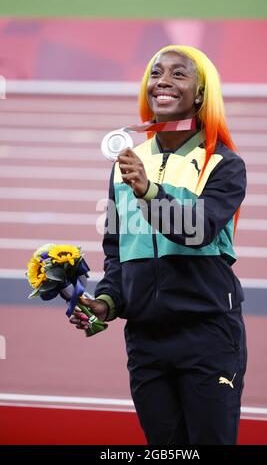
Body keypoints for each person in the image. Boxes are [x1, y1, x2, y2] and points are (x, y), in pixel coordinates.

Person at [70, 45, 247, 445]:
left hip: (208, 336)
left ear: (200, 94)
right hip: (147, 341)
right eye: (156, 73)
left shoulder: (223, 163)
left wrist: (150, 191)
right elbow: (116, 249)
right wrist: (107, 303)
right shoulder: (128, 162)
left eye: (178, 74)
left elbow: (197, 229)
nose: (163, 82)